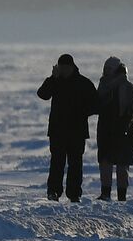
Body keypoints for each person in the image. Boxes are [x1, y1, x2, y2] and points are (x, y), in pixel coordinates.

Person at [36, 53, 98, 202]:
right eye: (60, 68)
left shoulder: (84, 83)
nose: (63, 71)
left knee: (75, 163)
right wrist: (52, 78)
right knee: (57, 163)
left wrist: (81, 113)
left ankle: (74, 194)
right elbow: (42, 94)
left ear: (72, 67)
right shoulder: (55, 81)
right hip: (57, 131)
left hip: (77, 131)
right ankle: (53, 192)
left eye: (65, 68)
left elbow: (96, 104)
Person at [95, 56, 133, 201]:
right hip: (106, 129)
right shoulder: (103, 85)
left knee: (121, 164)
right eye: (105, 69)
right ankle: (105, 193)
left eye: (109, 69)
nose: (106, 72)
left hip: (124, 130)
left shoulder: (128, 87)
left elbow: (130, 111)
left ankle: (121, 196)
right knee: (105, 162)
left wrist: (123, 129)